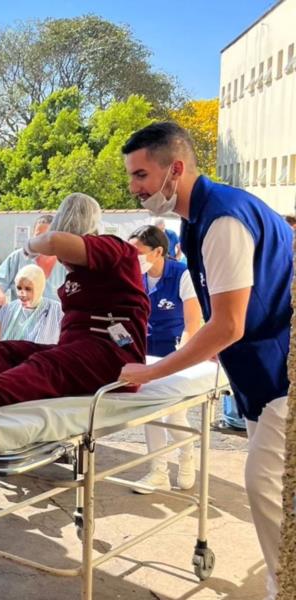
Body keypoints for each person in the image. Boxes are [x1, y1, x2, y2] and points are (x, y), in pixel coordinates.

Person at [119, 121, 292, 600]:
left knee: (266, 489)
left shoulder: (223, 221)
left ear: (175, 169)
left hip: (280, 377)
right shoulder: (200, 220)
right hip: (263, 380)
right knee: (274, 490)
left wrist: (153, 371)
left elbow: (228, 324)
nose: (134, 189)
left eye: (140, 176)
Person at [0, 193, 149, 415]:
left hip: (115, 358)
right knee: (7, 349)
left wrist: (30, 246)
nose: (62, 262)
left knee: (45, 365)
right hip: (79, 352)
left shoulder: (114, 249)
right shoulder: (80, 273)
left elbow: (54, 242)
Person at [127, 224, 201, 494]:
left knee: (173, 417)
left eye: (138, 253)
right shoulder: (135, 277)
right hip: (144, 352)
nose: (134, 259)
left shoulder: (182, 275)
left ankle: (186, 455)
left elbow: (192, 325)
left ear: (158, 251)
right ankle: (157, 471)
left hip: (174, 353)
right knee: (150, 414)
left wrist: (181, 358)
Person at [0, 214, 67, 304]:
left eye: (48, 237)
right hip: (22, 316)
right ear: (33, 236)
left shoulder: (66, 262)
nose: (43, 241)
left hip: (54, 317)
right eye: (39, 236)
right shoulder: (18, 257)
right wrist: (0, 296)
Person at [0, 264, 62, 351]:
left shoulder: (57, 310)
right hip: (8, 361)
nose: (22, 294)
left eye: (28, 289)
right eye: (19, 288)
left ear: (39, 288)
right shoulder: (6, 310)